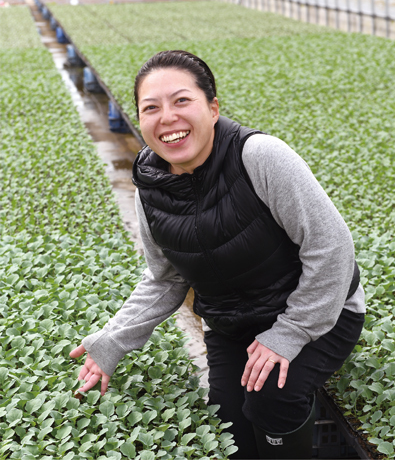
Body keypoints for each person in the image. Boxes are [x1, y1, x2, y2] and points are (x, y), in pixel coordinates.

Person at [70, 50, 366, 459]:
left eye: (181, 101)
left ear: (212, 108)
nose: (167, 118)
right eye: (150, 108)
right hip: (232, 322)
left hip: (319, 312)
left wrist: (289, 333)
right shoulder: (150, 185)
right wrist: (112, 342)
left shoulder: (260, 156)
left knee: (270, 399)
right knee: (230, 427)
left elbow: (331, 246)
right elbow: (165, 278)